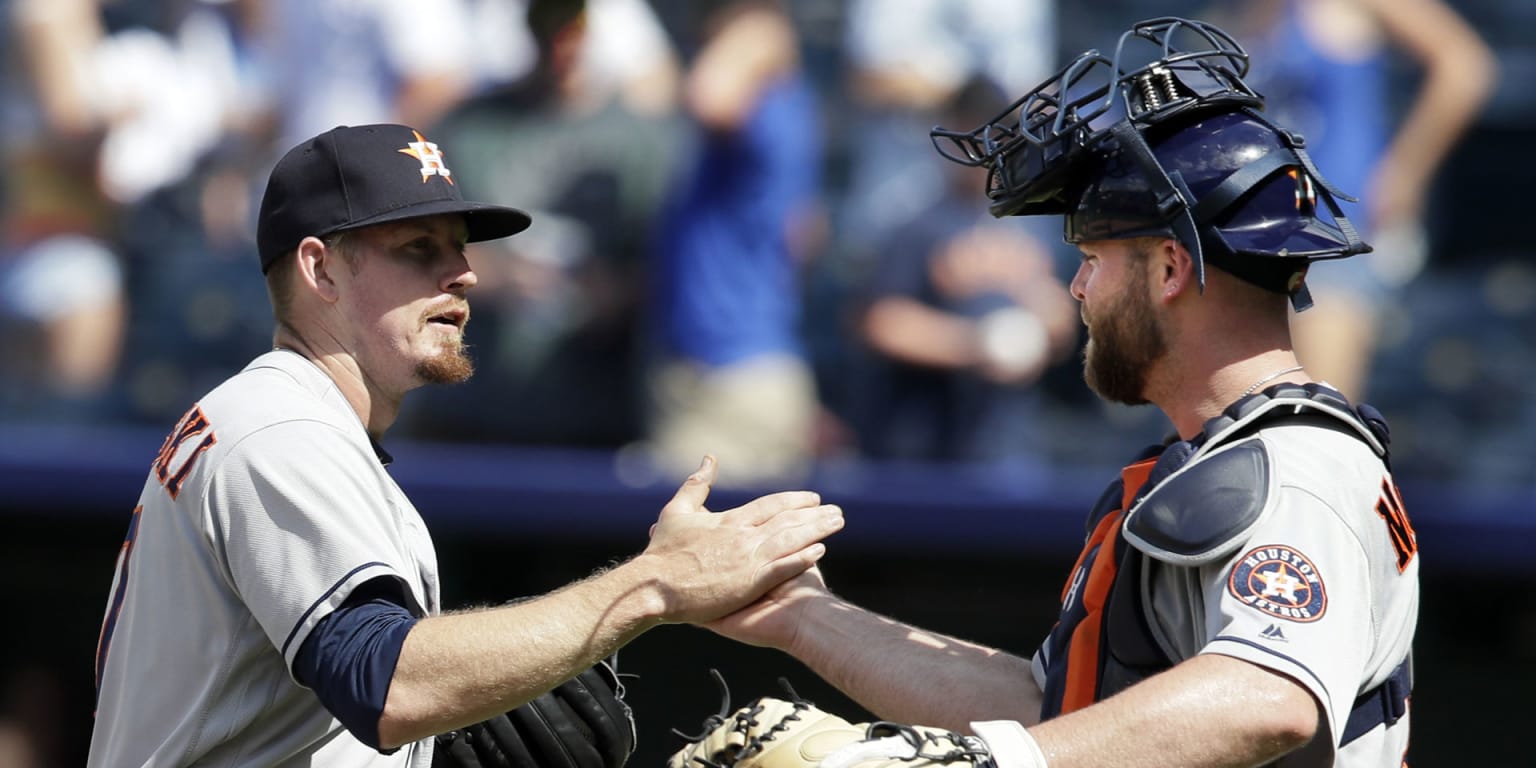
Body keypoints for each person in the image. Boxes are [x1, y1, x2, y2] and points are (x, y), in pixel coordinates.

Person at [686, 18, 1418, 768]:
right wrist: (807, 617)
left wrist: (989, 766)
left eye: (1094, 256)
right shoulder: (1226, 455)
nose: (1076, 286)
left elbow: (1268, 698)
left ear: (1169, 269)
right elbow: (1064, 718)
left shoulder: (1296, 466)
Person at [87, 123, 844, 766]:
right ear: (319, 269)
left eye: (459, 247)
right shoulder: (281, 430)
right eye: (419, 248)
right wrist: (655, 585)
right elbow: (384, 682)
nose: (466, 274)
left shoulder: (297, 426)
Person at [642, 0, 824, 486]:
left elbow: (708, 92)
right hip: (718, 371)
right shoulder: (773, 108)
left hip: (734, 374)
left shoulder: (771, 99)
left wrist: (755, 31)